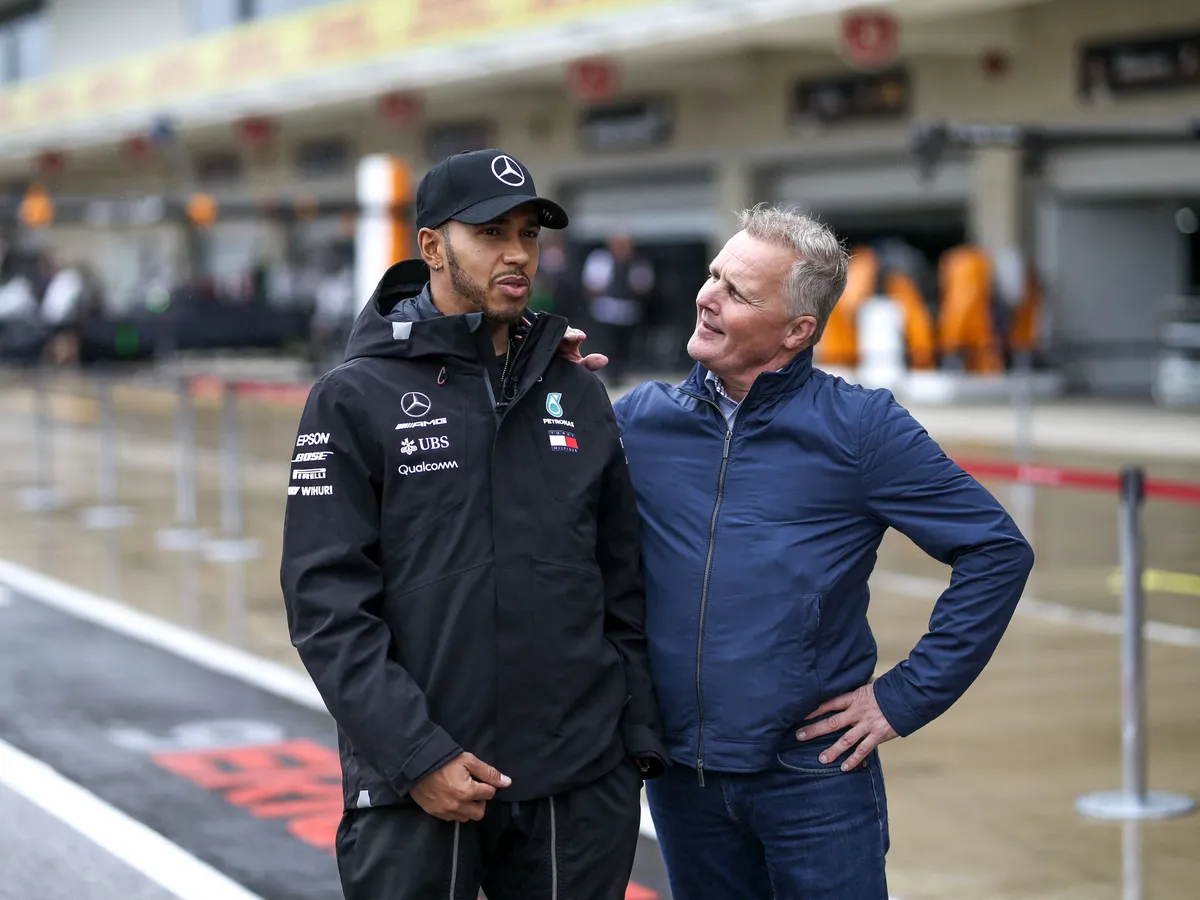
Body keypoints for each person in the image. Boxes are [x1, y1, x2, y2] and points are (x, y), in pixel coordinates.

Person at [605, 205, 1035, 899]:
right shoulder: (639, 420)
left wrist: (904, 696)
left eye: (738, 292)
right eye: (714, 275)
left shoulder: (860, 428)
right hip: (682, 777)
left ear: (796, 330)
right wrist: (550, 389)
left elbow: (995, 550)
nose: (707, 296)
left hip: (812, 776)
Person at [279, 149, 665, 900]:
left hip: (578, 785)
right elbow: (326, 606)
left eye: (528, 233)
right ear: (432, 246)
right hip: (419, 786)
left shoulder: (576, 389)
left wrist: (634, 743)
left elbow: (624, 581)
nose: (517, 253)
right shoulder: (353, 397)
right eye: (490, 233)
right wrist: (413, 753)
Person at [581, 233, 655, 384]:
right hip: (605, 309)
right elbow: (590, 285)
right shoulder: (600, 260)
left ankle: (621, 371)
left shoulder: (638, 262)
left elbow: (645, 287)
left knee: (624, 345)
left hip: (628, 310)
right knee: (607, 343)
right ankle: (609, 372)